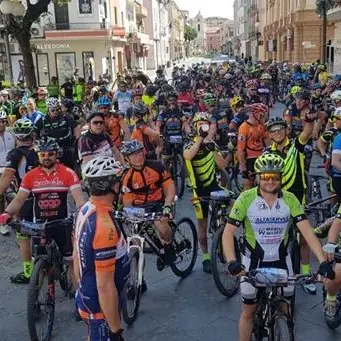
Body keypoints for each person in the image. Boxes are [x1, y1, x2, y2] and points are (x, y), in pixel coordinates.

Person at [222, 153, 334, 341]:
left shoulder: (290, 199)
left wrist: (322, 261)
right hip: (253, 262)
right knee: (248, 312)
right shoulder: (245, 198)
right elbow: (227, 233)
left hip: (282, 261)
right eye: (265, 176)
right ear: (258, 177)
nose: (270, 181)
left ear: (281, 177)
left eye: (275, 176)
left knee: (285, 308)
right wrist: (232, 261)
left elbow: (307, 232)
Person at [0, 137, 86, 284]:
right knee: (39, 261)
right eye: (43, 154)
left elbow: (79, 199)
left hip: (63, 223)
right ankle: (37, 296)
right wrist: (7, 213)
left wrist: (83, 214)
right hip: (39, 225)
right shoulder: (30, 176)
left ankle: (80, 297)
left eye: (50, 154)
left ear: (56, 154)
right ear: (38, 155)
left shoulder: (68, 173)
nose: (47, 157)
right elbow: (20, 199)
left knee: (72, 262)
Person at [74, 156, 128, 341]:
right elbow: (104, 286)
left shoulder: (86, 208)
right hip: (100, 307)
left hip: (88, 296)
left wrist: (80, 288)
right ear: (113, 186)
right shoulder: (104, 227)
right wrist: (115, 330)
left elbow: (76, 255)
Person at [265, 114, 318, 294]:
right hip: (277, 201)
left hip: (298, 199)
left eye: (280, 129)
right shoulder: (267, 153)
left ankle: (305, 274)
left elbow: (307, 132)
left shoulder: (296, 145)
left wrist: (309, 120)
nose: (277, 133)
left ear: (286, 130)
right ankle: (281, 271)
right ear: (270, 135)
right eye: (273, 131)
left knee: (304, 239)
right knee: (279, 239)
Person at [183, 112, 228, 273]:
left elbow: (222, 165)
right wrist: (200, 140)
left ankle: (224, 241)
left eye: (205, 124)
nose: (202, 127)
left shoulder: (212, 144)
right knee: (202, 225)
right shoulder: (189, 144)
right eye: (199, 124)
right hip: (199, 190)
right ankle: (206, 256)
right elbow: (188, 156)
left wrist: (213, 150)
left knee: (230, 211)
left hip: (214, 186)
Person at [120, 140, 177, 268]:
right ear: (127, 159)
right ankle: (139, 280)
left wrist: (168, 204)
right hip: (140, 209)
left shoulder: (157, 166)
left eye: (140, 153)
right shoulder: (127, 178)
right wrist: (129, 216)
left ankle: (168, 246)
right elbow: (127, 203)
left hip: (159, 203)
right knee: (135, 243)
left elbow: (169, 186)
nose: (138, 157)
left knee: (160, 225)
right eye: (133, 155)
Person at [0, 119, 39, 278]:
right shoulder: (42, 150)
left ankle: (29, 273)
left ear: (17, 136)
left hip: (24, 199)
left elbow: (8, 176)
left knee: (23, 236)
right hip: (46, 194)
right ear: (32, 133)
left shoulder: (15, 154)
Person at [35, 97, 80, 169]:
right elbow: (34, 132)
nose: (55, 111)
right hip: (50, 150)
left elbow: (76, 127)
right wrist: (36, 142)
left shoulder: (65, 117)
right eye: (53, 110)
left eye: (57, 109)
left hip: (65, 147)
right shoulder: (43, 120)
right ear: (48, 109)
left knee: (69, 167)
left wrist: (78, 141)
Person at [237, 103, 269, 190]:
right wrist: (243, 168)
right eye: (261, 114)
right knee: (249, 182)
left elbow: (267, 138)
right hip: (250, 158)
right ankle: (243, 201)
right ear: (255, 114)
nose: (263, 116)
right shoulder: (244, 127)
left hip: (261, 156)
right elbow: (240, 150)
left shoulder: (260, 125)